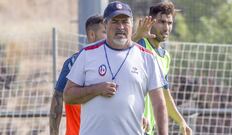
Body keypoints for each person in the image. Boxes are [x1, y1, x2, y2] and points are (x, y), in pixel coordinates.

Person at [63, 1, 168, 135]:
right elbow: (68, 96)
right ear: (105, 25)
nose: (121, 27)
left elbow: (159, 104)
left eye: (125, 21)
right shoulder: (87, 54)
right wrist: (96, 89)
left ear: (132, 24)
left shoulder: (147, 57)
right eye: (115, 21)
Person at [133, 1, 192, 135]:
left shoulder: (165, 57)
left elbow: (165, 95)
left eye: (169, 23)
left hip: (150, 129)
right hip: (132, 126)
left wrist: (181, 121)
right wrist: (136, 36)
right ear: (151, 22)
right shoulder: (139, 45)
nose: (166, 28)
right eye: (161, 22)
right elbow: (118, 52)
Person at [49, 15, 106, 135]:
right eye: (105, 32)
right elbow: (58, 97)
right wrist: (54, 133)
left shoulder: (113, 62)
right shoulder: (73, 62)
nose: (109, 36)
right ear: (92, 35)